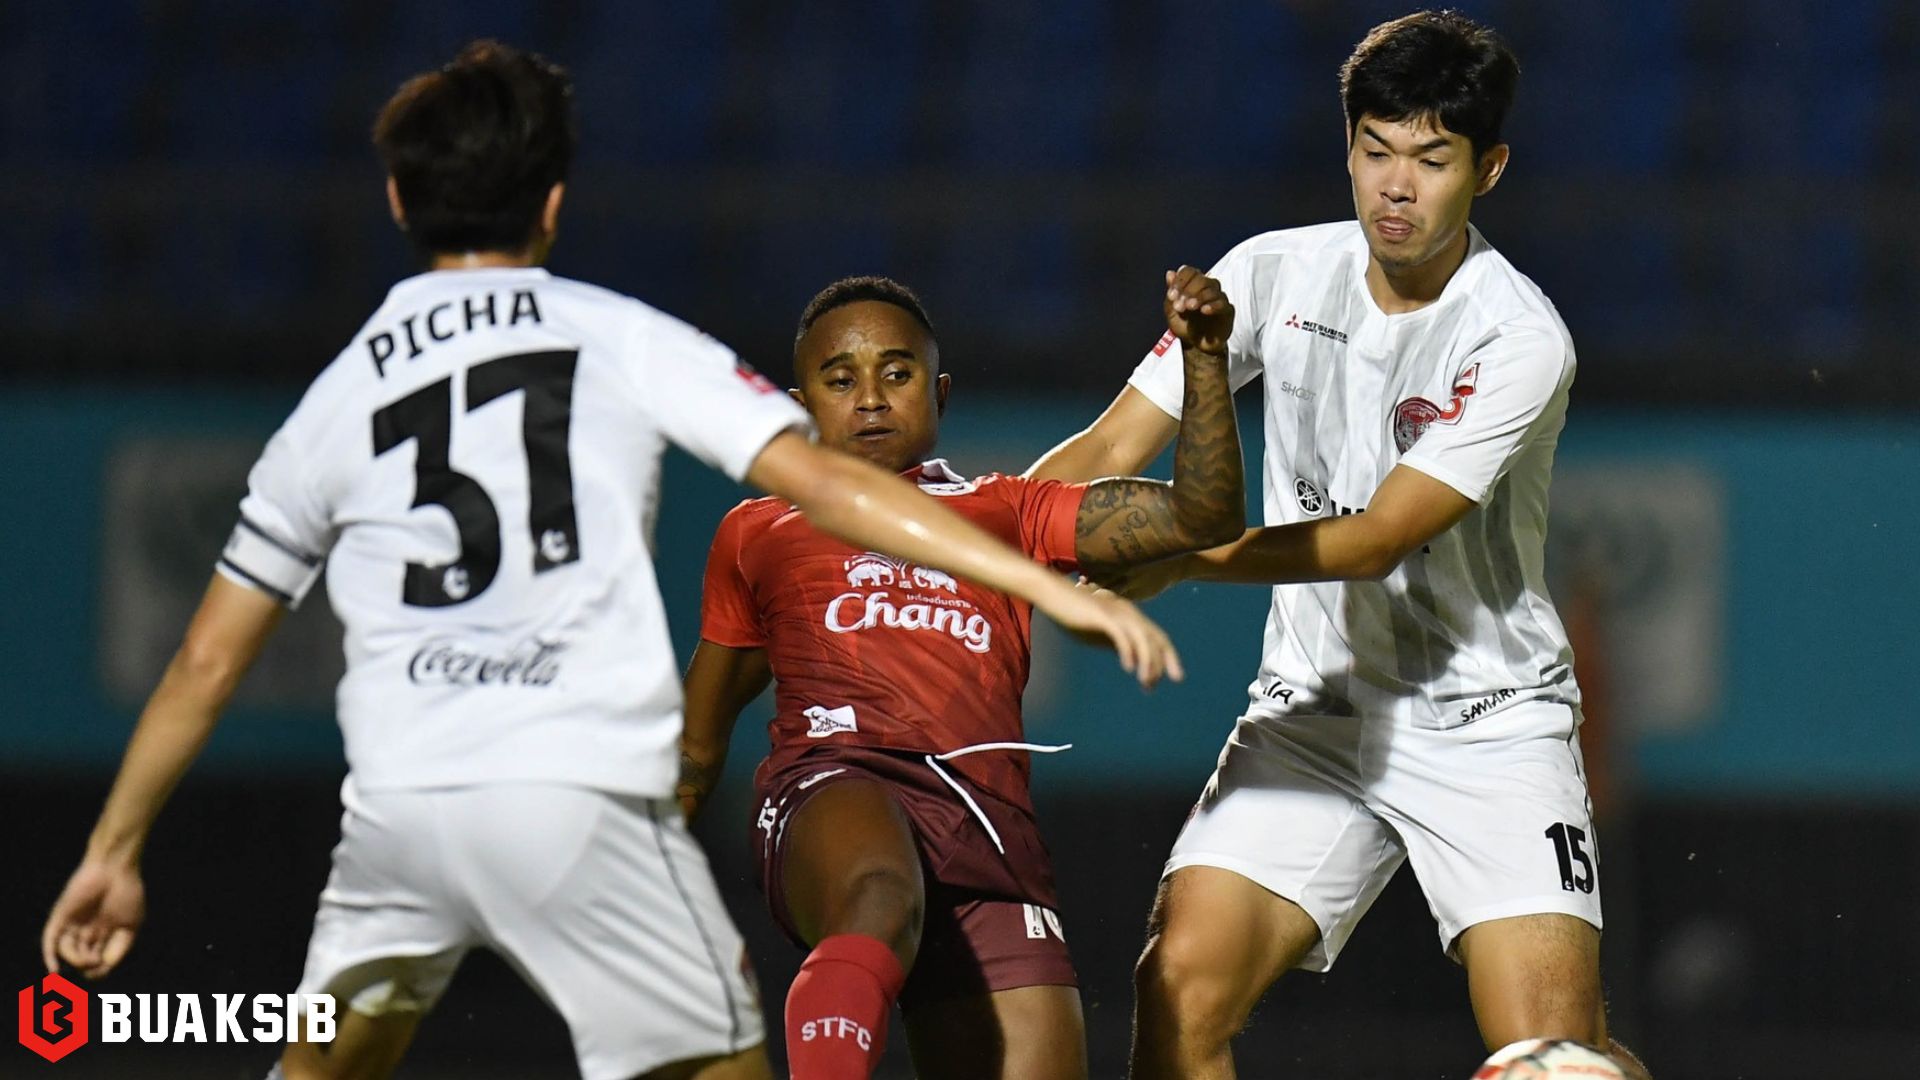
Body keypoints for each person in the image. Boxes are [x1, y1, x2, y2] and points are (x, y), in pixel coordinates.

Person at [37, 41, 1181, 1080]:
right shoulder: (614, 335)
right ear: (551, 201)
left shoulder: (338, 397)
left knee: (325, 1066)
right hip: (570, 796)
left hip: (399, 809)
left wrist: (112, 850)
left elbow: (203, 661)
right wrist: (1030, 580)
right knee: (725, 1061)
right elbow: (830, 485)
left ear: (396, 200)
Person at [1027, 11, 1653, 1079]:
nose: (1396, 187)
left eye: (1432, 159)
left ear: (1489, 169)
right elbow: (1105, 450)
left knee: (1554, 1057)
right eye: (1375, 150)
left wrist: (1180, 557)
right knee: (1177, 993)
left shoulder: (1518, 335)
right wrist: (960, 534)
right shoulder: (1269, 274)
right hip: (1312, 713)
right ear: (1348, 148)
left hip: (1489, 725)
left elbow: (1376, 540)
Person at [678, 270, 1242, 1079]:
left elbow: (1204, 516)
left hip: (986, 832)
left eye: (896, 373)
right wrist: (643, 876)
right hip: (838, 781)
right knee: (880, 892)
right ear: (800, 408)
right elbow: (698, 742)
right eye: (840, 380)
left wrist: (1206, 360)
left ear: (940, 393)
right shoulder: (759, 530)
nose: (871, 399)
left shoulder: (1008, 509)